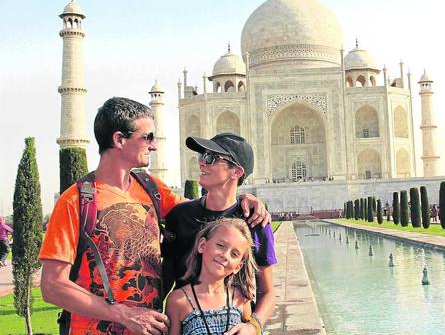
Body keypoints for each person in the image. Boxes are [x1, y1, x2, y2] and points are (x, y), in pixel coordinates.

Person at [39, 97, 269, 335]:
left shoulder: (150, 188)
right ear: (119, 139)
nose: (154, 145)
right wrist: (124, 314)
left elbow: (206, 209)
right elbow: (52, 286)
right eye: (147, 137)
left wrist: (243, 199)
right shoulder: (76, 201)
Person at [163, 133, 277, 334]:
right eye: (202, 157)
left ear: (236, 172)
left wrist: (254, 326)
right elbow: (165, 282)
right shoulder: (180, 217)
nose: (202, 164)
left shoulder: (254, 221)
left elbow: (267, 291)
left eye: (211, 158)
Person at [166, 218, 259, 335]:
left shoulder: (240, 298)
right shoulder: (177, 300)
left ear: (238, 267)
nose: (225, 255)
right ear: (202, 245)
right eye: (220, 245)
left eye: (234, 254)